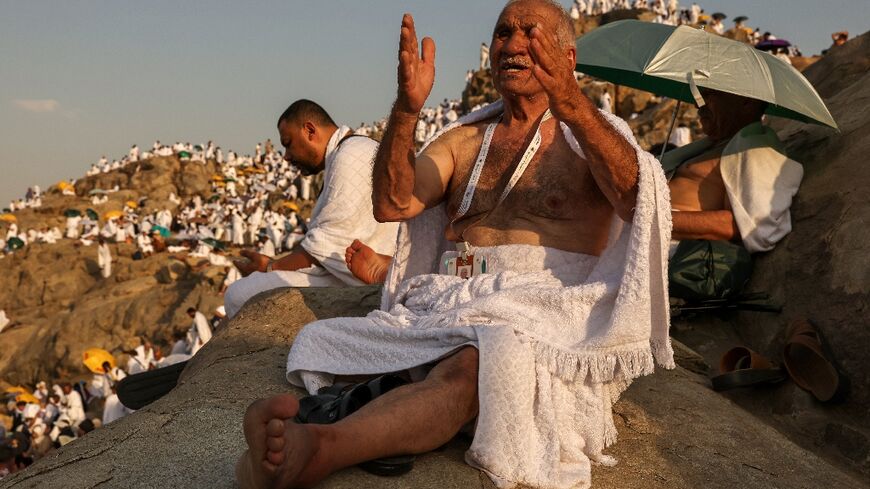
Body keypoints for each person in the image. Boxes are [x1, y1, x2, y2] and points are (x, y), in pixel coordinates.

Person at [236, 2, 671, 489]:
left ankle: (320, 449)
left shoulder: (593, 137)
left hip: (538, 306)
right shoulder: (463, 141)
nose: (513, 43)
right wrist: (406, 108)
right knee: (325, 342)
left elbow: (638, 200)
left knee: (474, 364)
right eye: (504, 32)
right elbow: (393, 201)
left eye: (532, 33)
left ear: (568, 56)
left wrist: (570, 101)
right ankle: (287, 445)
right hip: (448, 300)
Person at [223, 100, 399, 319]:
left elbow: (328, 243)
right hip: (345, 271)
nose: (286, 156)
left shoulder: (350, 155)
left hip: (361, 277)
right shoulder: (350, 151)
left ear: (309, 130)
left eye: (288, 143)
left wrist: (271, 267)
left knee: (239, 294)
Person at [661, 88, 803, 254]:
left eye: (709, 95)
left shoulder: (754, 151)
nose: (697, 104)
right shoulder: (714, 146)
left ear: (746, 101)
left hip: (665, 242)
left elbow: (746, 225)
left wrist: (654, 219)